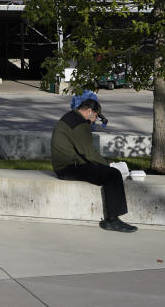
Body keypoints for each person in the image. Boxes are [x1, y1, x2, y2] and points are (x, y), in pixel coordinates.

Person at [51, 98, 137, 233]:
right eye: (96, 116)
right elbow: (89, 153)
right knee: (112, 174)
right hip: (69, 168)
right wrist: (108, 164)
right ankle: (112, 220)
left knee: (106, 171)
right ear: (89, 111)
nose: (95, 120)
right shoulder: (79, 124)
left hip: (66, 165)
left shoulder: (71, 117)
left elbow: (84, 152)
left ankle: (113, 219)